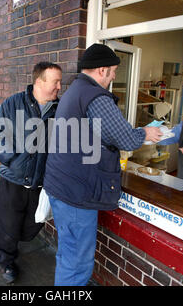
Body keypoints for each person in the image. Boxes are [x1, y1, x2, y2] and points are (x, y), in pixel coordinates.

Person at [43, 43, 163, 286]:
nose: (114, 76)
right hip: (77, 194)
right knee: (77, 263)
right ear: (101, 70)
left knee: (68, 255)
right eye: (113, 71)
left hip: (62, 186)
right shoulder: (96, 97)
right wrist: (146, 133)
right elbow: (126, 138)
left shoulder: (75, 90)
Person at [0, 62, 62, 283]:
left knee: (32, 224)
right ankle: (6, 261)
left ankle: (13, 244)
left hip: (41, 183)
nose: (59, 86)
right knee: (6, 225)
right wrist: (13, 160)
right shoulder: (13, 104)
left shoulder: (60, 110)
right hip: (14, 180)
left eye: (60, 81)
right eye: (55, 81)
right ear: (39, 82)